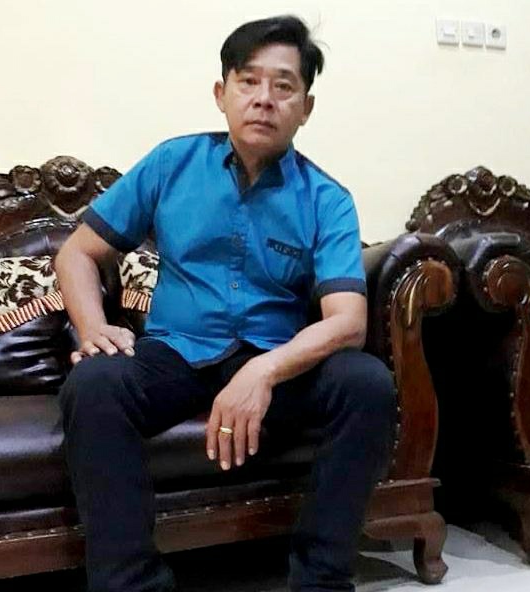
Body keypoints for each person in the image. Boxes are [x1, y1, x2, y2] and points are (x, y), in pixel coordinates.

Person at [56, 15, 396, 592]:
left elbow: (348, 323)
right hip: (174, 353)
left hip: (276, 361)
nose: (264, 99)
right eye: (248, 81)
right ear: (222, 93)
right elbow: (77, 254)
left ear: (306, 107)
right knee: (93, 385)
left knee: (367, 383)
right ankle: (131, 585)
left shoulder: (327, 199)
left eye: (284, 86)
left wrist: (264, 371)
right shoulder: (172, 164)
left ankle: (321, 579)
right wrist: (93, 328)